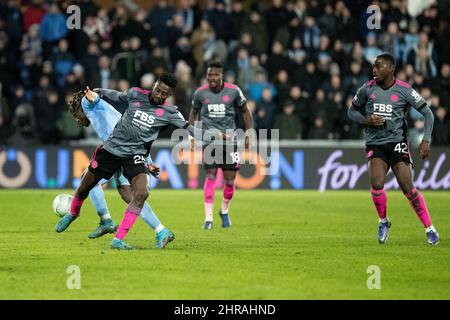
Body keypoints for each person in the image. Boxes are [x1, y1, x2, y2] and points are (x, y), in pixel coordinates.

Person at [56, 73, 211, 250]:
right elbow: (113, 95)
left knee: (137, 193)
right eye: (158, 90)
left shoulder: (88, 104)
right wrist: (98, 91)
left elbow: (96, 102)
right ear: (154, 86)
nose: (159, 95)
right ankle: (83, 216)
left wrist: (213, 136)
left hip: (132, 154)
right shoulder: (136, 94)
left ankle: (115, 230)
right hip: (112, 150)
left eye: (163, 93)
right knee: (97, 187)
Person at [347, 53, 439, 245]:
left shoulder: (405, 90)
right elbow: (351, 111)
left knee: (408, 188)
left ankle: (429, 228)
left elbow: (428, 114)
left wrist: (426, 140)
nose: (374, 70)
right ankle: (383, 221)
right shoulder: (367, 89)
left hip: (397, 143)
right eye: (373, 66)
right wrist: (366, 120)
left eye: (378, 66)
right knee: (377, 184)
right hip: (375, 144)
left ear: (390, 69)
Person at [67, 89, 173, 249]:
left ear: (81, 109)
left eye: (76, 115)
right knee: (128, 194)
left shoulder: (92, 105)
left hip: (123, 153)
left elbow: (94, 99)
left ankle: (106, 220)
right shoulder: (103, 113)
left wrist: (91, 97)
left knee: (89, 181)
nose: (77, 120)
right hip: (117, 151)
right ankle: (161, 230)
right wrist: (148, 161)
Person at [189, 60, 253, 230]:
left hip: (230, 142)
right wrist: (191, 136)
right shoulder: (200, 93)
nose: (212, 78)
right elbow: (193, 113)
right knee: (210, 177)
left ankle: (224, 211)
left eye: (216, 74)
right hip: (209, 142)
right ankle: (208, 219)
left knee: (230, 182)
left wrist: (249, 133)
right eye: (210, 74)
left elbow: (245, 111)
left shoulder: (233, 91)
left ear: (222, 76)